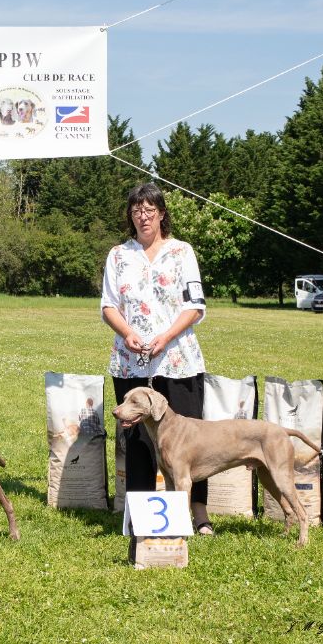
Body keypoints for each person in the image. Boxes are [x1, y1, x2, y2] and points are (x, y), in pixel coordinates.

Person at [100, 182, 214, 535]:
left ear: (162, 214)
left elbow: (195, 306)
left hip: (178, 361)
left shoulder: (182, 252)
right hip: (130, 363)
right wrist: (127, 333)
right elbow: (108, 306)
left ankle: (199, 515)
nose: (142, 216)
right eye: (136, 211)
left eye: (149, 210)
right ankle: (141, 517)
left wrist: (165, 337)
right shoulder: (118, 255)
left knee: (191, 442)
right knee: (137, 443)